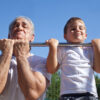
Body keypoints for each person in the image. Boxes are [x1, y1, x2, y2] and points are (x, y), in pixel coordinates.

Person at [46, 17, 99, 100]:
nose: (77, 30)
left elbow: (98, 69)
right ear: (65, 36)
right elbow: (51, 69)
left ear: (85, 35)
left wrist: (98, 47)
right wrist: (52, 48)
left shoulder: (90, 49)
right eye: (73, 29)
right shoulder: (63, 49)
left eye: (81, 28)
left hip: (89, 93)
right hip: (68, 94)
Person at [0, 16, 51, 100]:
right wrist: (6, 53)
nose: (19, 28)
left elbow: (32, 94)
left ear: (32, 37)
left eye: (24, 26)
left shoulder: (42, 62)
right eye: (16, 26)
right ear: (9, 36)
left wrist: (20, 55)